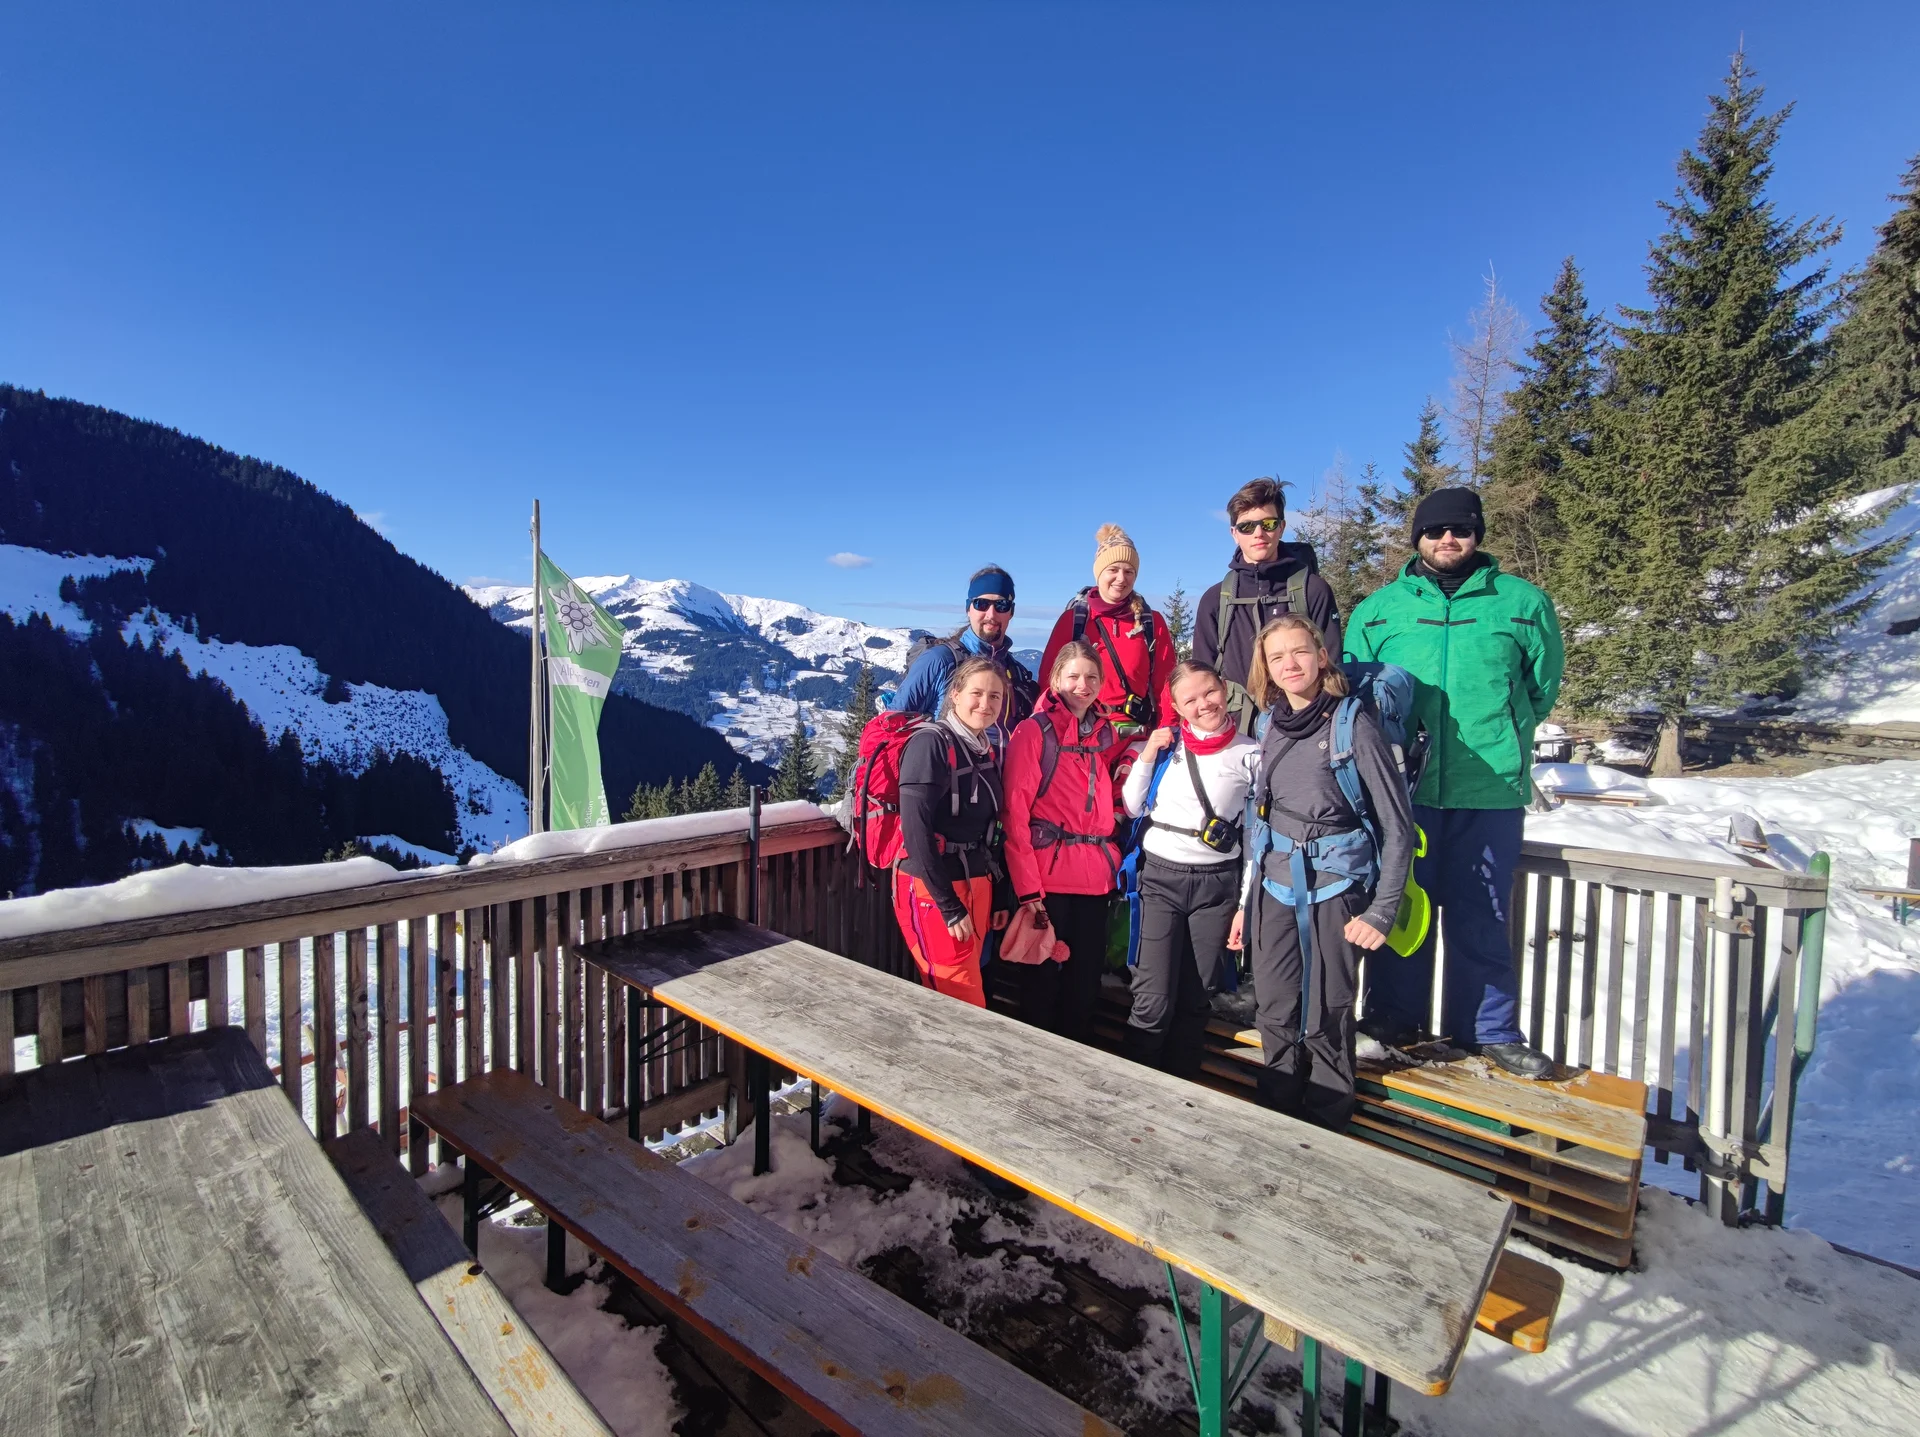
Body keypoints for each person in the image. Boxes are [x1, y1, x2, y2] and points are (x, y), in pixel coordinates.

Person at [1342, 487, 1564, 1080]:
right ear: (1416, 536)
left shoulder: (1521, 603)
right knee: (1400, 906)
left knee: (1482, 913)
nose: (1448, 540)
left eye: (1461, 530)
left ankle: (1488, 1031)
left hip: (1486, 788)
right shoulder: (1379, 610)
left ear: (1477, 536)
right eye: (1436, 530)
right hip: (1401, 793)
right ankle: (1391, 1016)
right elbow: (1356, 696)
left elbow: (1542, 687)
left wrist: (1501, 732)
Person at [1235, 615, 1415, 1130]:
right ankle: (1277, 1119)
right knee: (1273, 1008)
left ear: (1320, 655)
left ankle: (1328, 1130)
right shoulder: (1268, 725)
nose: (1289, 664)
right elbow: (1259, 819)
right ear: (1265, 669)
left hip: (1333, 889)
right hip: (1273, 887)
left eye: (1299, 652)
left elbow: (1398, 826)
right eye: (1277, 657)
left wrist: (1382, 911)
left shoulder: (1351, 724)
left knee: (1328, 1014)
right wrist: (1246, 904)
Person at [1119, 659, 1260, 1077]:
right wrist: (1147, 752)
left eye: (1210, 692)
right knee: (1152, 999)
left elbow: (1254, 837)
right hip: (1161, 879)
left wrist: (1244, 904)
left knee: (1197, 997)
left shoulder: (1252, 754)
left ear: (1224, 690)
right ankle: (1137, 1088)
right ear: (1177, 708)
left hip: (1217, 886)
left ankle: (1181, 1090)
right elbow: (1130, 804)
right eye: (1191, 700)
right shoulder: (1165, 747)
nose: (1204, 704)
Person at [1001, 641, 1121, 1042]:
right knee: (1041, 981)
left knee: (1085, 982)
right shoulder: (1034, 732)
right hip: (1048, 881)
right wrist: (1027, 890)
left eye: (1091, 677)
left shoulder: (1101, 734)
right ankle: (1036, 1063)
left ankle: (1076, 1065)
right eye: (1072, 676)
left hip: (1095, 879)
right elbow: (1014, 815)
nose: (1082, 686)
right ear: (1055, 680)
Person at [892, 657, 1011, 1007]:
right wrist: (949, 906)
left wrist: (999, 896)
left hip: (976, 885)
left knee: (959, 992)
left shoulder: (982, 747)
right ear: (955, 695)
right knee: (962, 999)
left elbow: (991, 828)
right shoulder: (930, 744)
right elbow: (916, 833)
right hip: (936, 889)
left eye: (995, 697)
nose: (985, 704)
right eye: (976, 693)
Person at [1193, 478, 1342, 732]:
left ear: (1282, 527)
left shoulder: (1312, 590)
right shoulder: (1215, 599)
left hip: (1301, 728)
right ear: (1234, 534)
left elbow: (1331, 667)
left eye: (1269, 524)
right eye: (1247, 526)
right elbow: (1201, 678)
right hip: (1233, 733)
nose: (1259, 533)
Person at [1037, 524, 1175, 762]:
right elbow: (1048, 683)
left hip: (1136, 741)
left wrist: (1167, 732)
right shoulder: (1075, 621)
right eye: (1113, 569)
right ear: (1098, 572)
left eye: (1129, 571)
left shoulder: (1151, 623)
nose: (1121, 579)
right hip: (1081, 740)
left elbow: (1167, 686)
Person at [890, 565, 1038, 742]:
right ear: (969, 609)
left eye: (1001, 605)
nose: (991, 614)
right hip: (947, 768)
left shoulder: (1015, 672)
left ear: (1011, 612)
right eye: (981, 604)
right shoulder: (940, 661)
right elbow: (890, 727)